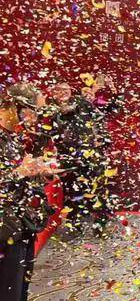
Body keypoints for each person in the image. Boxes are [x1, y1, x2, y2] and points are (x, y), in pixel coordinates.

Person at [0, 83, 58, 301]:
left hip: (21, 227)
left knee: (17, 297)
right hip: (5, 233)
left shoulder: (12, 138)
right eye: (33, 111)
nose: (35, 118)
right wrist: (19, 173)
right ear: (14, 106)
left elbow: (20, 179)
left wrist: (40, 174)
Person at [50, 82, 102, 233]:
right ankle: (74, 223)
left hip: (88, 151)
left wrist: (100, 138)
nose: (63, 92)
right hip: (66, 155)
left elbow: (98, 117)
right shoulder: (50, 109)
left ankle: (99, 220)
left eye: (66, 89)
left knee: (94, 185)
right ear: (53, 93)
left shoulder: (81, 102)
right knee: (72, 190)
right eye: (59, 90)